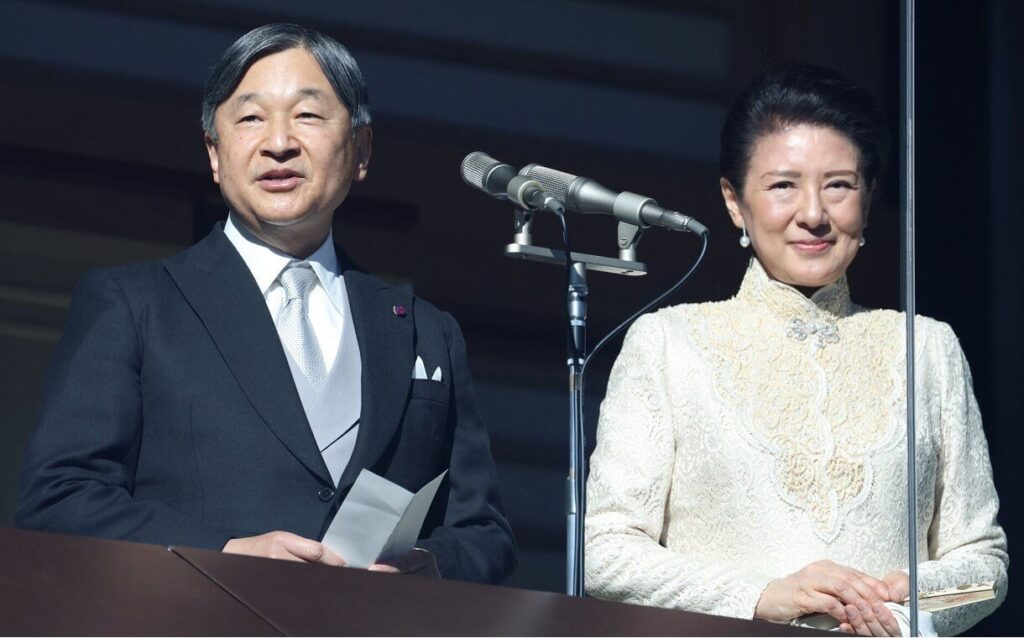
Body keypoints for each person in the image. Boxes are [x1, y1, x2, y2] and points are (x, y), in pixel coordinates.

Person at [16, 23, 516, 584]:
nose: (279, 142)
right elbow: (57, 499)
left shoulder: (428, 331)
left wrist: (426, 564)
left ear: (361, 149)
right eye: (251, 117)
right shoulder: (136, 305)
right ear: (214, 150)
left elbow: (483, 534)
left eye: (307, 115)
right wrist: (221, 553)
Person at [584, 65, 1007, 635]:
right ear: (735, 202)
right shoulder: (667, 343)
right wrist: (763, 596)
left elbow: (986, 568)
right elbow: (604, 555)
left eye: (839, 185)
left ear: (868, 197)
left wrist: (904, 599)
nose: (813, 213)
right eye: (783, 185)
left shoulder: (928, 347)